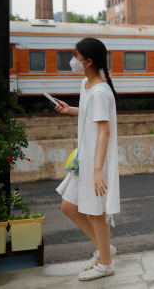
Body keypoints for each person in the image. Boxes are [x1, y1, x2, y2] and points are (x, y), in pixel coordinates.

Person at [52, 38, 121, 281]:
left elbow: (104, 131)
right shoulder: (86, 84)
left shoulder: (101, 91)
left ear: (88, 61)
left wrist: (98, 169)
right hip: (85, 158)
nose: (73, 61)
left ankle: (106, 264)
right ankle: (106, 250)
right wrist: (70, 109)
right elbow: (91, 114)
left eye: (75, 56)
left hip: (95, 162)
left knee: (95, 213)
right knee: (69, 206)